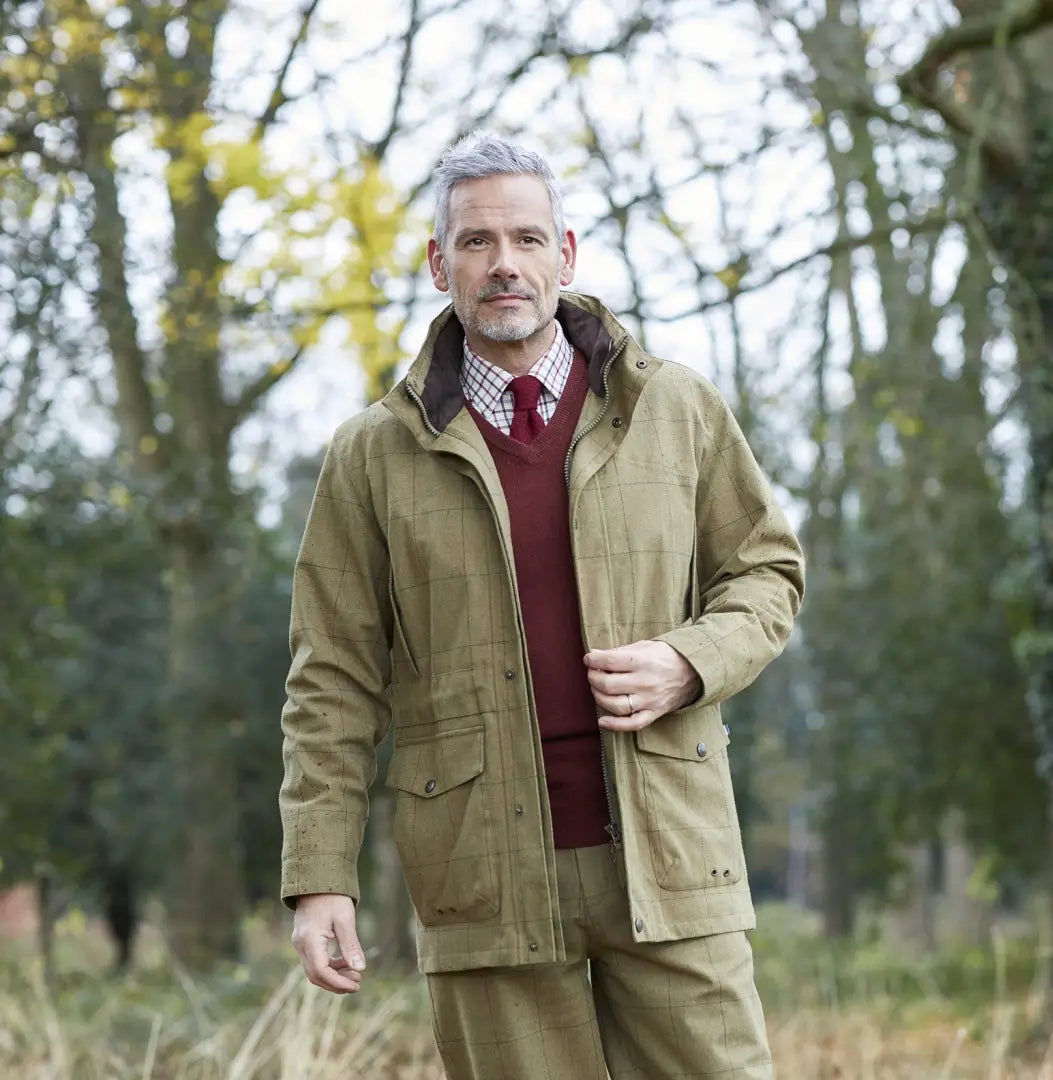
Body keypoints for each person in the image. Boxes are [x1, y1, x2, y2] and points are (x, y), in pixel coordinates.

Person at [280, 131, 804, 1080]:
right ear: (439, 264)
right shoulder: (370, 455)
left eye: (527, 238)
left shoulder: (675, 408)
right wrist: (319, 877)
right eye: (476, 242)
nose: (504, 264)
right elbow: (332, 679)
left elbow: (767, 575)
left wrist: (690, 661)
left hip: (672, 853)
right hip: (484, 878)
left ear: (567, 254)